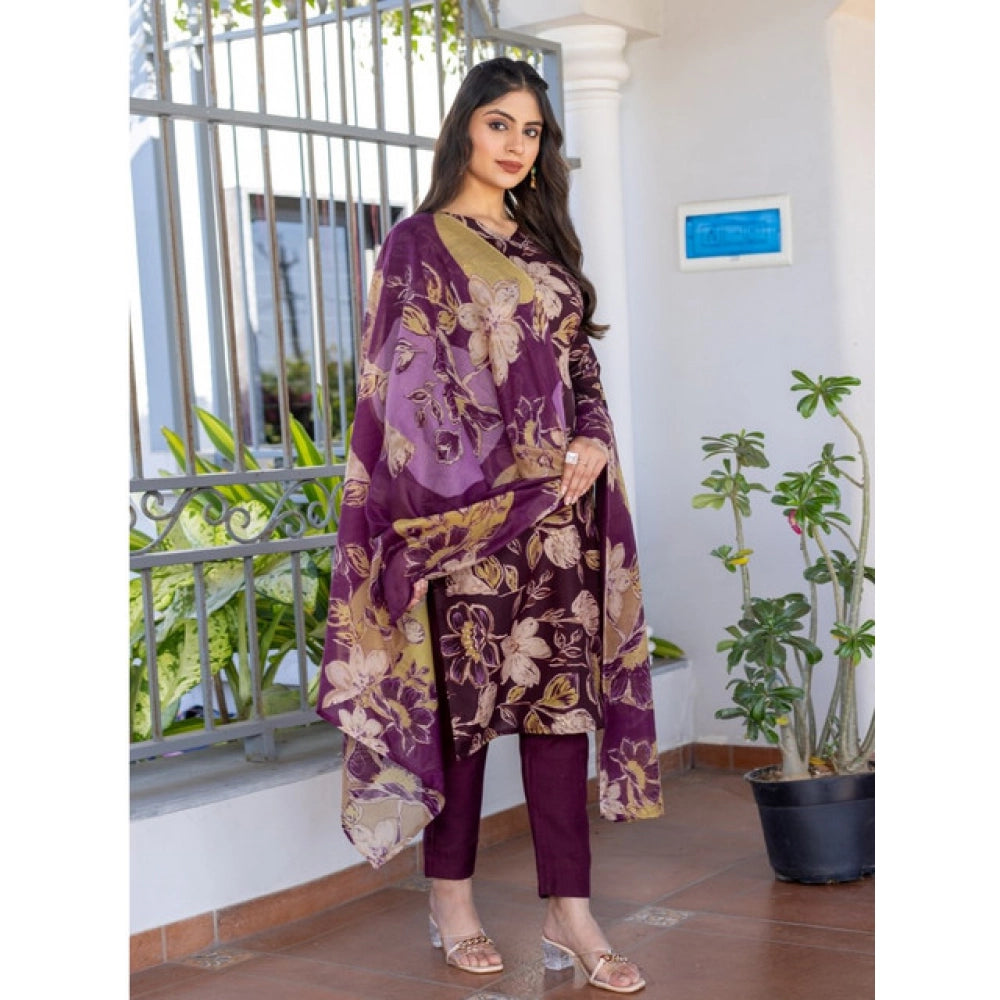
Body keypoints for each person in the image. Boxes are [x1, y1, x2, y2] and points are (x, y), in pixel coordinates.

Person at [318, 57, 662, 995]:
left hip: (563, 519)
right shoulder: (415, 245)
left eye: (532, 131)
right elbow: (403, 395)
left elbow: (578, 369)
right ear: (464, 127)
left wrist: (591, 439)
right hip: (465, 522)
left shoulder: (542, 245)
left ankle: (569, 913)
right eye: (499, 124)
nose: (516, 145)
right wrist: (498, 482)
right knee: (464, 714)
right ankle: (452, 900)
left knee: (559, 709)